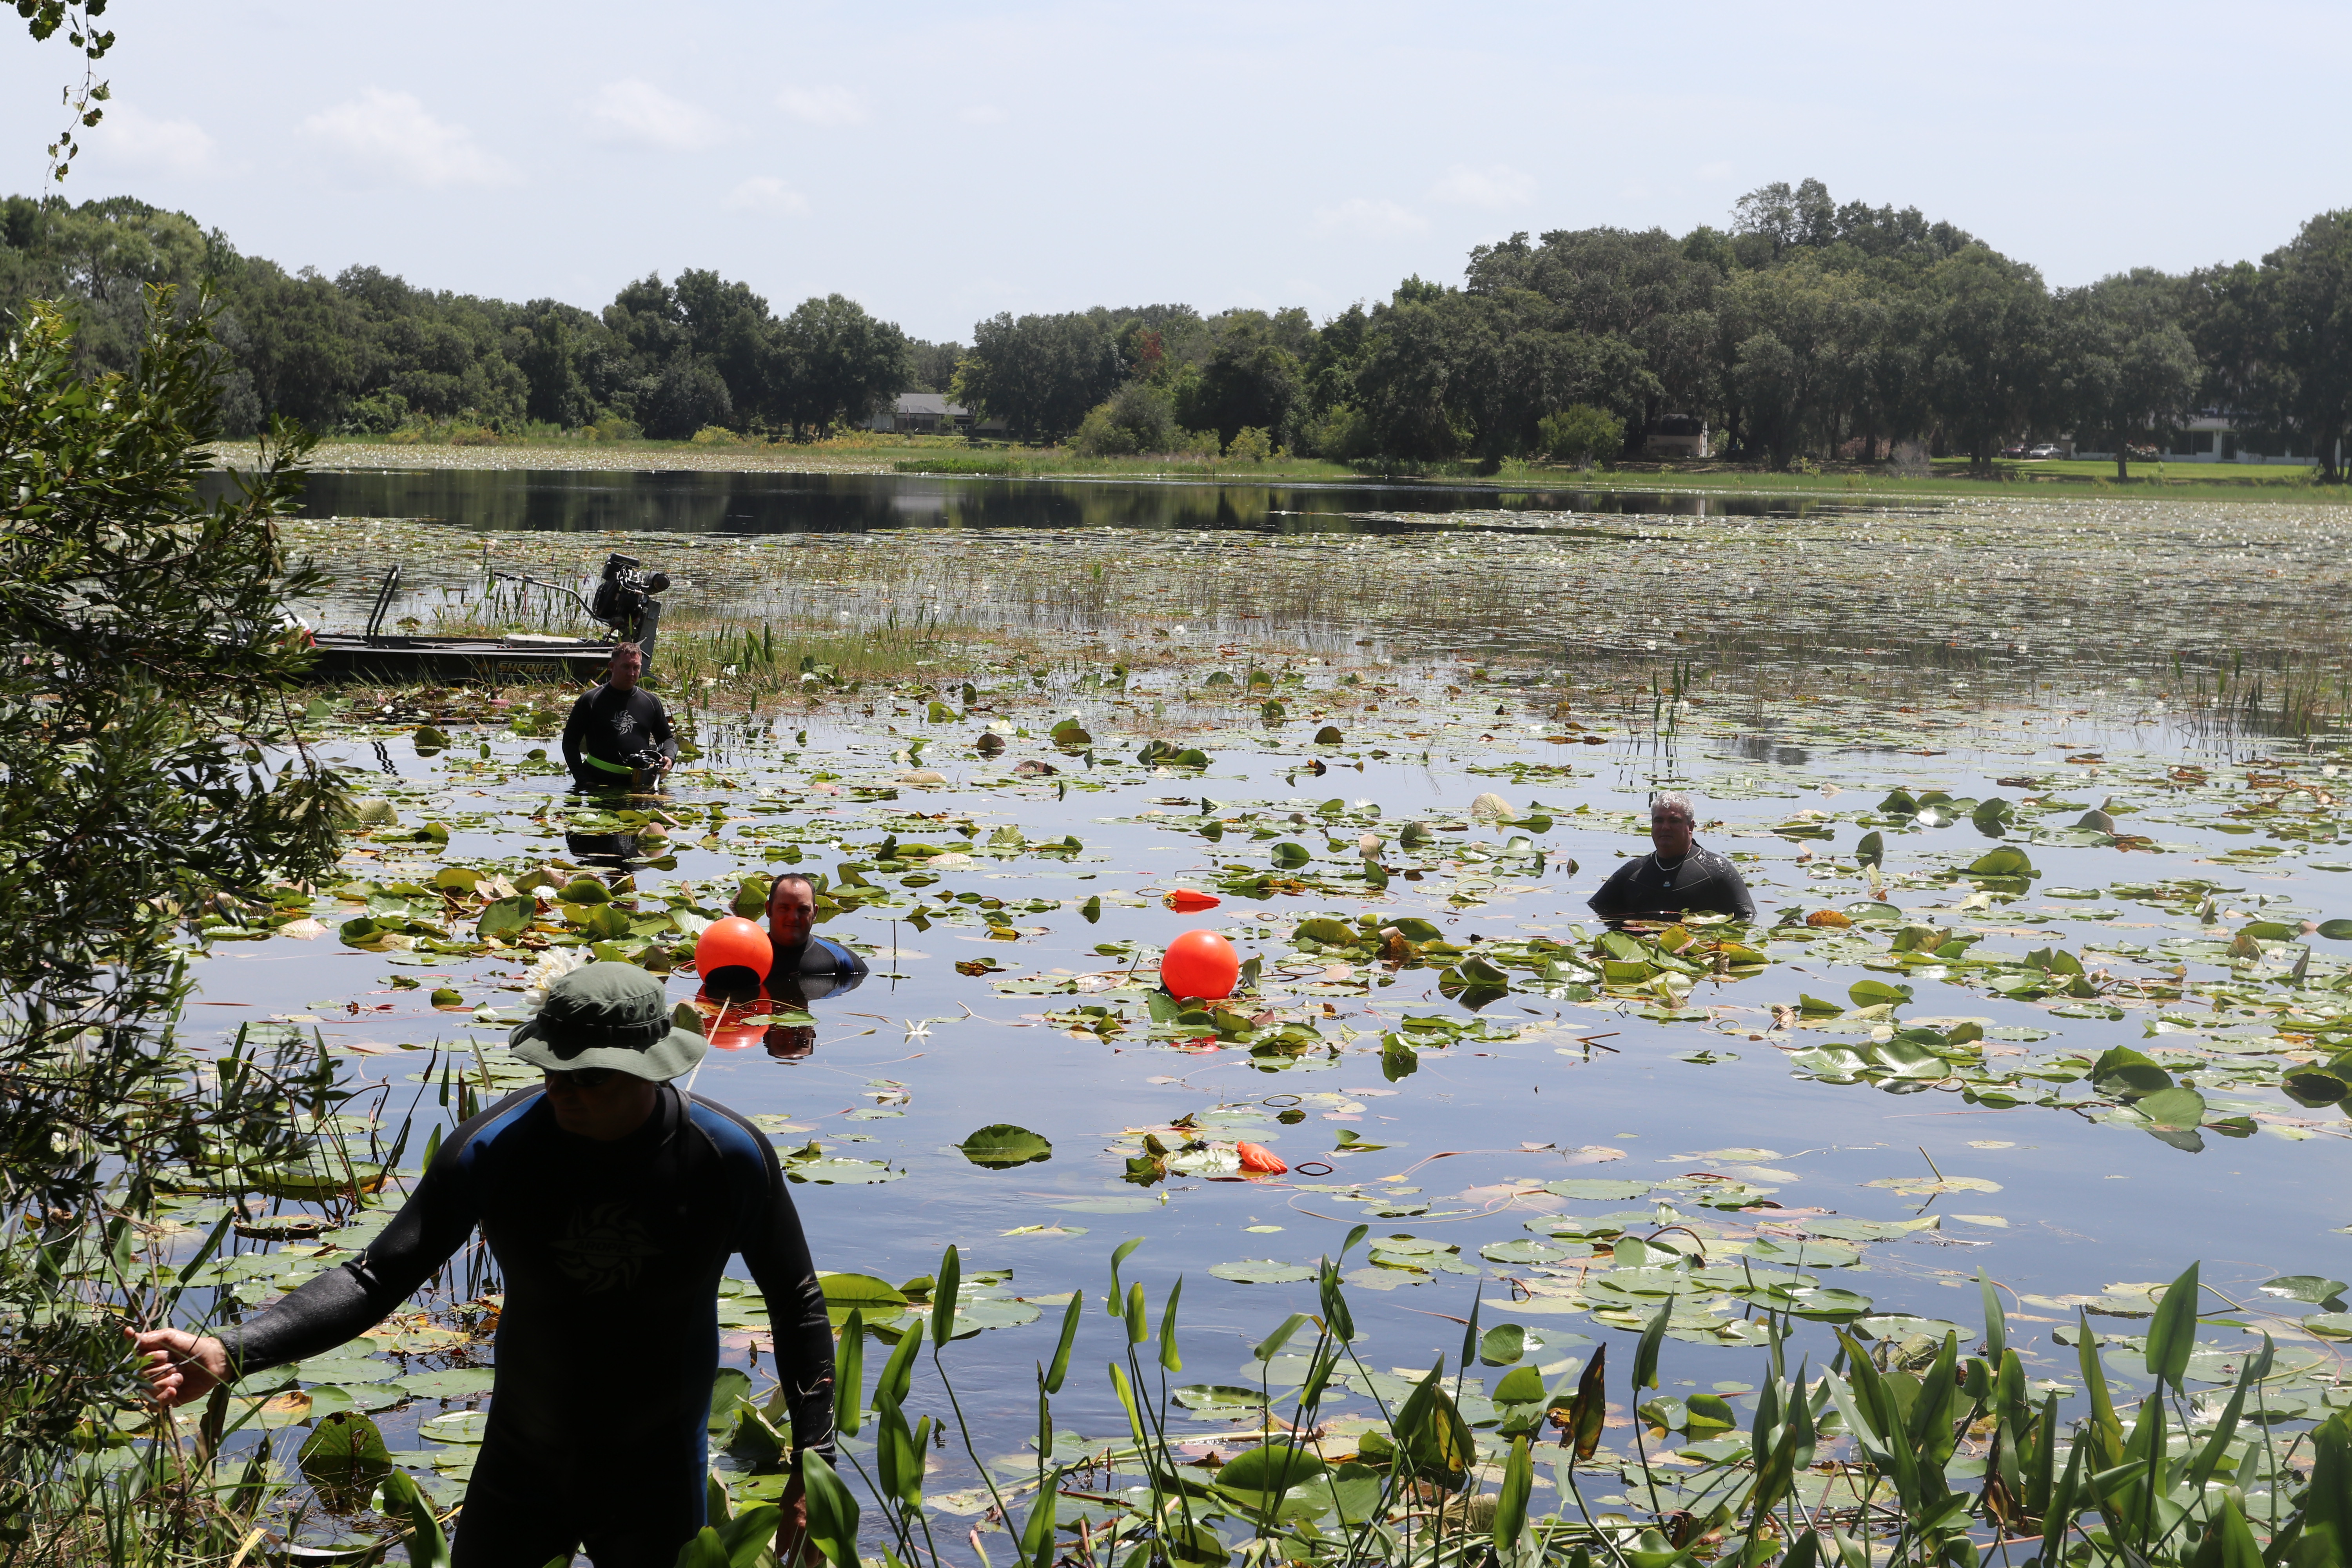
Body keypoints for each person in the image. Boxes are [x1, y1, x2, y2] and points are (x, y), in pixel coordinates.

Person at [128, 963, 834, 1568]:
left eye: (587, 1079)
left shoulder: (725, 1158)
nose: (561, 1093)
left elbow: (796, 1304)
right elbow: (377, 1278)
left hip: (657, 1475)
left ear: (647, 1068)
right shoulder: (497, 1149)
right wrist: (230, 1351)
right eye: (552, 1071)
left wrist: (813, 1465)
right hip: (524, 1468)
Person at [1587, 792, 1755, 923]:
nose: (1665, 827)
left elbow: (1747, 916)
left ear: (1690, 827)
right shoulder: (1632, 872)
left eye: (1674, 821)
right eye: (1659, 821)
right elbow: (1596, 908)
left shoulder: (1716, 869)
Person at [561, 642, 677, 789]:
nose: (632, 673)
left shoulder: (650, 702)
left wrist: (670, 758)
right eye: (626, 667)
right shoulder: (591, 700)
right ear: (612, 666)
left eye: (636, 668)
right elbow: (570, 743)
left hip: (639, 786)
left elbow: (668, 739)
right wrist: (583, 780)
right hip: (597, 785)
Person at [763, 873, 869, 1000]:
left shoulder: (842, 960)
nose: (793, 917)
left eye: (803, 909)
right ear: (769, 910)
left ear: (815, 913)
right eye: (784, 908)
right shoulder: (744, 956)